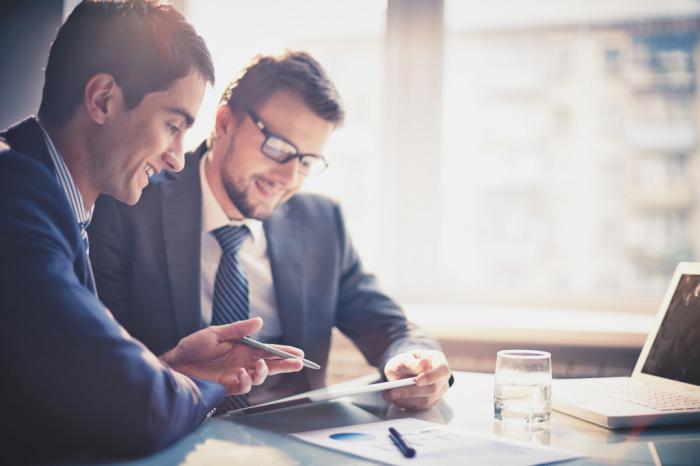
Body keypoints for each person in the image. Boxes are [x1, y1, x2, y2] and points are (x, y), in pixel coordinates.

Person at [0, 2, 303, 464]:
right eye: (172, 125)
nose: (177, 158)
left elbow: (72, 388)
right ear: (102, 99)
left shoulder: (51, 198)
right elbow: (141, 410)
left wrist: (170, 368)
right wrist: (202, 383)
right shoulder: (16, 198)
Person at [89, 50, 453, 412]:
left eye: (307, 161)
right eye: (278, 148)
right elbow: (103, 365)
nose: (289, 178)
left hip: (296, 440)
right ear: (225, 123)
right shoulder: (130, 203)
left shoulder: (321, 222)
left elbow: (386, 324)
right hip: (177, 430)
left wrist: (418, 360)